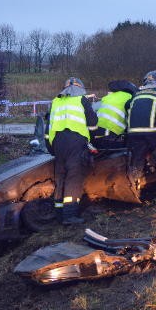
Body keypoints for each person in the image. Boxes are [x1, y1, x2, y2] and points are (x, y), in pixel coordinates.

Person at [47, 77, 98, 225]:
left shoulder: (55, 101)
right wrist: (91, 140)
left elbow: (48, 127)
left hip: (57, 142)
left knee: (61, 176)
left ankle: (59, 213)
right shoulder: (82, 100)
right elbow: (93, 123)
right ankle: (70, 215)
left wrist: (51, 147)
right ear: (80, 88)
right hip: (76, 141)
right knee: (74, 177)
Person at [126, 71, 156, 189]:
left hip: (133, 131)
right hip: (154, 131)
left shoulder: (137, 93)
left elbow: (127, 106)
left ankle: (134, 182)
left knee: (137, 157)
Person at [95, 80, 137, 149]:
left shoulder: (109, 96)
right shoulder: (131, 98)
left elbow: (95, 108)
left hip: (95, 133)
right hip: (112, 137)